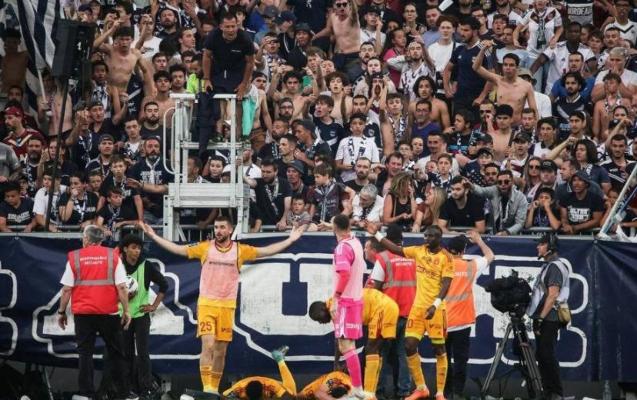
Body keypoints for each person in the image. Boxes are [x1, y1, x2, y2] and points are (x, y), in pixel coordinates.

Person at [139, 217, 304, 397]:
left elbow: (266, 251)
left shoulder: (240, 250)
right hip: (207, 304)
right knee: (208, 345)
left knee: (220, 352)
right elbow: (178, 249)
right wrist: (153, 236)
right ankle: (207, 388)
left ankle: (213, 388)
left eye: (222, 227)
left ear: (230, 230)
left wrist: (290, 239)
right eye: (216, 227)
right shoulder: (205, 248)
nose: (218, 230)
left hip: (227, 306)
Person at [367, 224, 454, 400]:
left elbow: (446, 284)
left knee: (439, 348)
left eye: (430, 236)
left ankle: (439, 393)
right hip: (416, 309)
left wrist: (435, 304)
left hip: (435, 309)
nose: (426, 239)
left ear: (439, 238)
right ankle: (421, 388)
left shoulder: (446, 257)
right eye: (425, 236)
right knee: (408, 346)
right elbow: (396, 249)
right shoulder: (418, 251)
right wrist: (376, 234)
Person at [56, 225, 136, 400]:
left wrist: (61, 312)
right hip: (109, 313)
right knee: (117, 353)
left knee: (85, 354)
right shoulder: (113, 256)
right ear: (101, 240)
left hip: (83, 315)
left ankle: (86, 394)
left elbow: (67, 289)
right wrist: (126, 311)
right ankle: (124, 393)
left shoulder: (75, 257)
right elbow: (122, 287)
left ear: (86, 239)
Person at [310, 287, 399, 398]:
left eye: (319, 318)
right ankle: (370, 392)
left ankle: (369, 394)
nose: (320, 322)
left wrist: (337, 365)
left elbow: (342, 342)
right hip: (383, 307)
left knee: (372, 349)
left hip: (382, 308)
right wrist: (339, 363)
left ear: (323, 308)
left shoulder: (336, 309)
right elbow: (340, 340)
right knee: (372, 351)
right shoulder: (333, 306)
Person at [365, 224, 416, 399]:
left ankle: (377, 391)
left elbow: (375, 289)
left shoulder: (383, 258)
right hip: (409, 312)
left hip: (386, 315)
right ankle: (404, 392)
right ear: (402, 239)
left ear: (387, 239)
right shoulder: (413, 257)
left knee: (380, 354)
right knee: (404, 355)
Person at [444, 231, 494, 400]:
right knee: (460, 360)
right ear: (463, 251)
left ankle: (445, 393)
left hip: (442, 322)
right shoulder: (470, 266)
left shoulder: (439, 266)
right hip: (462, 323)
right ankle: (457, 393)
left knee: (443, 360)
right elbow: (490, 255)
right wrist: (479, 240)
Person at [322, 214, 367, 399]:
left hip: (346, 302)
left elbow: (345, 274)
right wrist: (330, 225)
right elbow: (342, 226)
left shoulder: (342, 248)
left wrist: (336, 298)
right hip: (356, 299)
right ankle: (357, 388)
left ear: (335, 228)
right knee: (349, 345)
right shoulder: (355, 241)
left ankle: (357, 389)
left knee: (345, 345)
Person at [119, 234, 169, 398]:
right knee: (126, 353)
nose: (137, 251)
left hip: (141, 316)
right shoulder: (118, 266)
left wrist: (153, 306)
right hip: (123, 316)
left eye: (139, 248)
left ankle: (146, 388)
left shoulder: (146, 266)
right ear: (125, 249)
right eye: (133, 248)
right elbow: (108, 289)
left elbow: (164, 285)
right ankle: (127, 389)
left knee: (142, 353)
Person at [527, 232, 570, 399]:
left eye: (541, 244)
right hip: (546, 317)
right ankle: (548, 391)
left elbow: (553, 295)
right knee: (543, 355)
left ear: (550, 247)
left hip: (549, 318)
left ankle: (555, 393)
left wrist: (541, 318)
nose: (537, 247)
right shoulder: (549, 266)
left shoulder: (554, 267)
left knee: (546, 355)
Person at [212, 346, 296, 400]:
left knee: (293, 393)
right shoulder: (239, 389)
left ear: (263, 392)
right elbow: (222, 396)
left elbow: (290, 397)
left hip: (273, 385)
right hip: (246, 384)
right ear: (245, 392)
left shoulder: (271, 386)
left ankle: (279, 359)